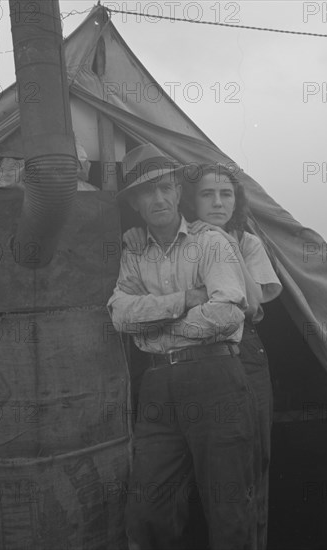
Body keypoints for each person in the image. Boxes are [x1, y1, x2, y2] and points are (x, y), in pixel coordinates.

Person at [108, 144, 260, 550]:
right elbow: (121, 316)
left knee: (228, 508)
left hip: (215, 379)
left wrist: (157, 331)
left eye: (164, 187)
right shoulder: (135, 251)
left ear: (177, 191)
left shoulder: (210, 242)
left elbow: (228, 312)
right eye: (146, 192)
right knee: (149, 508)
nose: (157, 198)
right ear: (136, 204)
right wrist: (181, 301)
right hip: (158, 388)